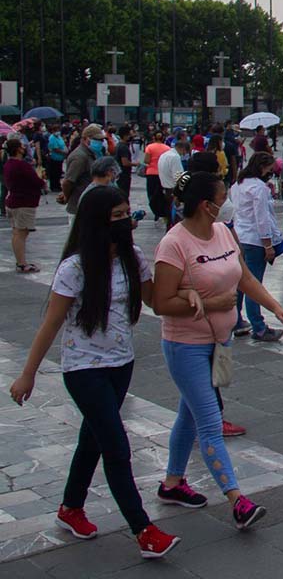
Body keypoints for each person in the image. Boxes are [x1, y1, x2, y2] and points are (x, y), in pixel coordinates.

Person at [8, 187, 182, 559]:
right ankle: (144, 529)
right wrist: (28, 374)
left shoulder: (132, 258)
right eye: (116, 216)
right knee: (116, 446)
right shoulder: (74, 269)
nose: (124, 222)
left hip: (122, 363)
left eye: (126, 215)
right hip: (84, 369)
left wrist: (192, 286)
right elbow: (51, 324)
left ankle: (70, 507)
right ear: (97, 222)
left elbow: (155, 300)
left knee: (93, 439)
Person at [152, 171, 283, 531]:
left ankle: (172, 484)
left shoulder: (223, 232)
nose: (226, 202)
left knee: (190, 414)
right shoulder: (174, 244)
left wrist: (274, 305)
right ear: (206, 204)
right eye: (222, 196)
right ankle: (237, 500)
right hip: (185, 345)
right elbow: (160, 302)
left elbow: (244, 277)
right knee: (210, 421)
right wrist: (213, 301)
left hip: (221, 343)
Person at [230, 152, 283, 342]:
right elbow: (261, 218)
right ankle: (259, 326)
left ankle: (237, 320)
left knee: (239, 282)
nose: (271, 173)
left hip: (240, 236)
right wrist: (268, 244)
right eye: (270, 169)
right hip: (255, 240)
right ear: (262, 167)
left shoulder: (238, 185)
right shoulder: (259, 188)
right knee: (254, 284)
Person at [5, 138, 45, 273]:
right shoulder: (21, 165)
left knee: (18, 232)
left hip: (14, 201)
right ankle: (22, 263)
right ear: (18, 149)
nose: (25, 148)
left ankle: (21, 261)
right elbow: (36, 181)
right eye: (22, 146)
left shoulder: (8, 164)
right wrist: (41, 179)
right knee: (21, 233)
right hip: (23, 203)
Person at [60, 123, 105, 225]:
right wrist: (66, 197)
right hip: (80, 206)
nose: (100, 143)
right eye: (97, 140)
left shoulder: (92, 154)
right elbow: (68, 182)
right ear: (85, 139)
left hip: (92, 206)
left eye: (102, 140)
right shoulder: (80, 157)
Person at [157, 136, 191, 229]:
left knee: (169, 217)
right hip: (173, 190)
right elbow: (179, 177)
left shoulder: (164, 155)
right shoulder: (175, 157)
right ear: (183, 149)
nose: (184, 155)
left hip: (165, 187)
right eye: (185, 152)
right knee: (174, 219)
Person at [47, 123, 68, 192]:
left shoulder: (59, 137)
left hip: (60, 159)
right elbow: (55, 149)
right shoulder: (52, 138)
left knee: (59, 173)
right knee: (54, 173)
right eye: (56, 130)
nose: (58, 132)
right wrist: (63, 152)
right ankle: (54, 186)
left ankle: (58, 185)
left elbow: (62, 143)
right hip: (54, 158)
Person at [115, 125, 134, 198]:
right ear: (125, 135)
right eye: (129, 134)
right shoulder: (123, 147)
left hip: (120, 174)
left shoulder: (119, 145)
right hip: (124, 175)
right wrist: (136, 164)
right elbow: (125, 163)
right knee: (124, 194)